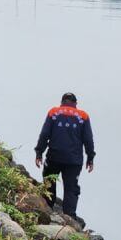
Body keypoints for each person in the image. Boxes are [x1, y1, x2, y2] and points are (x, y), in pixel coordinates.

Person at [35, 92, 95, 221]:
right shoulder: (83, 116)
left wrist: (39, 152)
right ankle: (69, 217)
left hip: (54, 156)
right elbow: (88, 140)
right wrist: (90, 157)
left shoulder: (53, 112)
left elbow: (45, 134)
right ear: (75, 103)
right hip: (74, 160)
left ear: (62, 102)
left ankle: (48, 209)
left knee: (49, 180)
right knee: (71, 188)